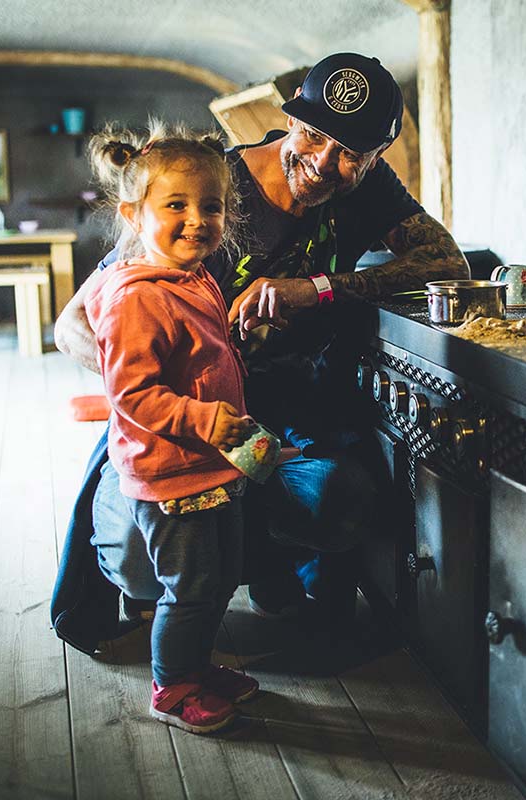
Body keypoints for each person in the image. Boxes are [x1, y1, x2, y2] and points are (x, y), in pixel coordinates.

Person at [51, 52, 469, 654]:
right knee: (136, 554)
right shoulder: (203, 188)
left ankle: (262, 571)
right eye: (315, 135)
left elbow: (445, 263)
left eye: (351, 153)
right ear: (290, 118)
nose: (325, 163)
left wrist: (317, 289)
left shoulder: (369, 188)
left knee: (338, 498)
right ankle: (190, 605)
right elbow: (73, 326)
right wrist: (161, 391)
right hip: (181, 422)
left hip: (282, 410)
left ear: (376, 156)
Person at [83, 123, 274, 734]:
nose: (197, 219)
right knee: (189, 587)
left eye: (211, 206)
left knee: (218, 577)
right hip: (170, 472)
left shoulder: (194, 279)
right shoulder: (133, 297)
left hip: (211, 459)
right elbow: (132, 393)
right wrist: (205, 419)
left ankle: (197, 665)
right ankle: (171, 687)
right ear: (133, 215)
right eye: (176, 206)